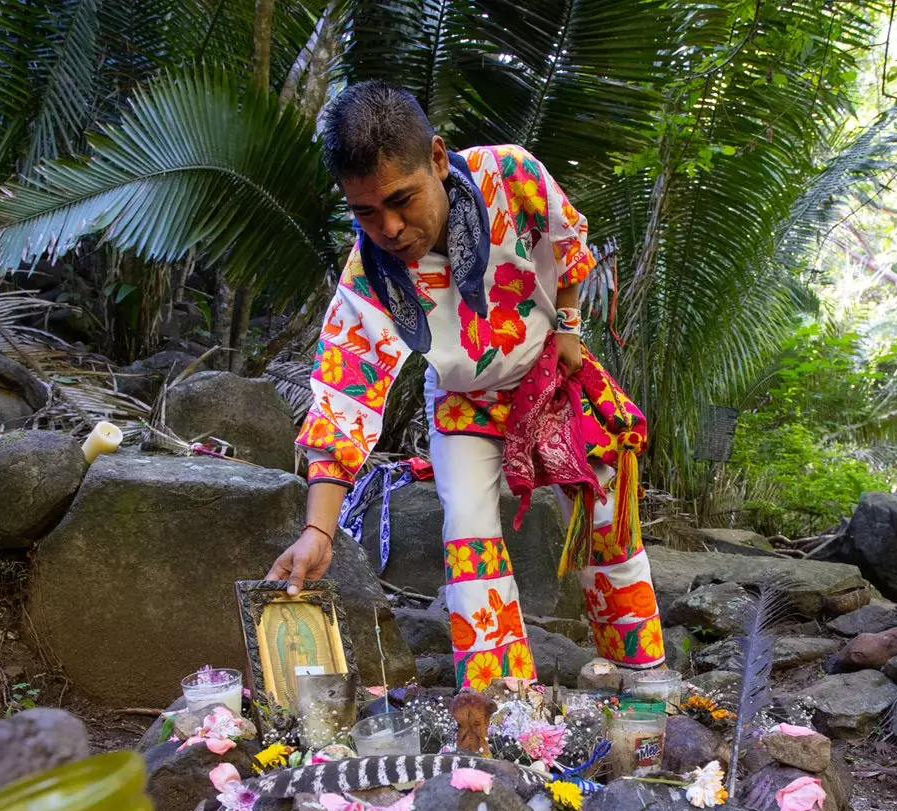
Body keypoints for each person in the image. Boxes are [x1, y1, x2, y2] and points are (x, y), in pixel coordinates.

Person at [266, 80, 665, 688]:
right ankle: (503, 706)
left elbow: (568, 242)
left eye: (403, 200)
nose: (391, 228)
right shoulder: (369, 273)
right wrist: (319, 530)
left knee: (603, 511)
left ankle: (643, 678)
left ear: (435, 158)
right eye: (366, 212)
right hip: (461, 402)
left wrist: (568, 332)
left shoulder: (510, 175)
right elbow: (345, 395)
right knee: (468, 531)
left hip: (548, 378)